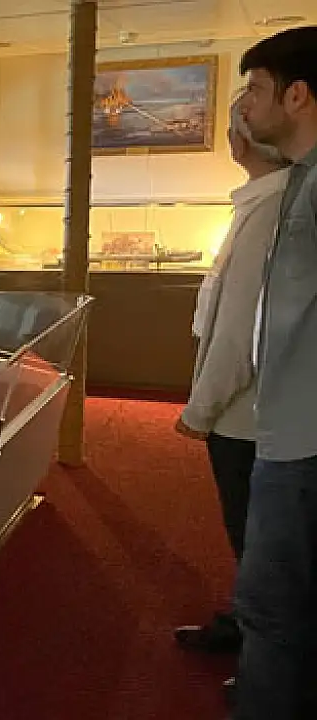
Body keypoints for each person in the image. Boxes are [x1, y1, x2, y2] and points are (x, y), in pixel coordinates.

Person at [173, 97, 291, 658]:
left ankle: (264, 655)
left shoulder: (270, 212)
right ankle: (251, 625)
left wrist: (200, 411)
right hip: (257, 410)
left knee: (255, 535)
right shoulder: (266, 202)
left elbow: (239, 334)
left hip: (245, 418)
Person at [232, 24, 317, 720]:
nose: (244, 104)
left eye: (256, 89)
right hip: (288, 426)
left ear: (298, 95)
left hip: (302, 442)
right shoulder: (298, 178)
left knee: (271, 606)